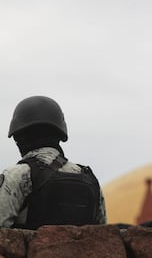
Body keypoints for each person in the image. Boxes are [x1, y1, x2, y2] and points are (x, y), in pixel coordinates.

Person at [0, 96, 107, 229]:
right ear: (60, 134)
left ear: (19, 137)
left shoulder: (15, 175)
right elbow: (103, 234)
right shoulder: (89, 179)